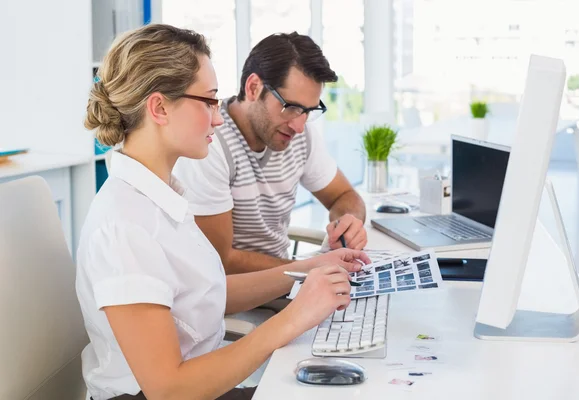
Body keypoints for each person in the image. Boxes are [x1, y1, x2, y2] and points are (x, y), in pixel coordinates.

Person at [77, 24, 369, 400]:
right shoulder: (125, 226)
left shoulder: (160, 196)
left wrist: (309, 268)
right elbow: (168, 389)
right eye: (209, 101)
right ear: (159, 107)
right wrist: (293, 318)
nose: (217, 118)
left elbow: (205, 294)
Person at [173, 32, 368, 275]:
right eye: (291, 107)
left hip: (286, 284)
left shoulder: (300, 134)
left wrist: (348, 222)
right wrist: (307, 270)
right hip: (238, 300)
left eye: (308, 110)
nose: (299, 125)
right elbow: (220, 261)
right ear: (253, 87)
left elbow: (345, 195)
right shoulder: (209, 141)